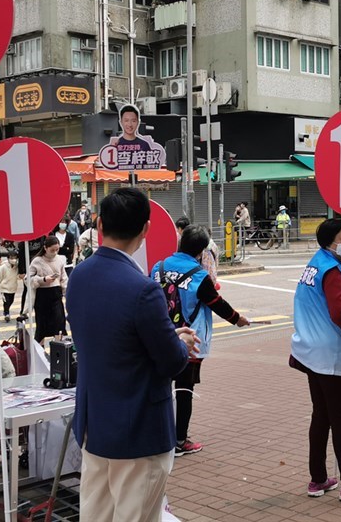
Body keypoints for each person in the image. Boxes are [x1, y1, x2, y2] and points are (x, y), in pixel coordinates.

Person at [66, 188, 199, 522]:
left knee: (95, 515)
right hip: (138, 430)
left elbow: (108, 340)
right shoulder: (142, 289)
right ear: (146, 229)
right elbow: (171, 361)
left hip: (94, 423)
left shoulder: (78, 276)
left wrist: (168, 337)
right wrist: (178, 342)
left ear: (99, 225)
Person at [290, 218, 341, 503]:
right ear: (330, 241)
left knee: (322, 415)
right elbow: (340, 313)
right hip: (330, 353)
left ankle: (318, 479)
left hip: (311, 351)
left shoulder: (318, 264)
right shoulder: (332, 271)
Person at [152, 225, 250, 456]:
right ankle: (179, 441)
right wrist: (238, 319)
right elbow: (217, 303)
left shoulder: (159, 266)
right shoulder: (199, 275)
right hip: (190, 340)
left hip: (160, 335)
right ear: (201, 251)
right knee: (184, 389)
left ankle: (159, 435)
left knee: (160, 386)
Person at [28, 236, 68, 344]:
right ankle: (41, 354)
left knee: (59, 325)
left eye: (57, 249)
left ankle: (58, 353)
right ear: (45, 248)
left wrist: (67, 294)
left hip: (56, 296)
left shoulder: (59, 260)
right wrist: (43, 279)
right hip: (42, 297)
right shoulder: (37, 261)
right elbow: (28, 279)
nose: (55, 252)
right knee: (42, 327)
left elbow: (64, 278)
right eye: (52, 250)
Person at [16, 235, 46, 321]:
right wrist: (21, 271)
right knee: (27, 290)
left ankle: (41, 310)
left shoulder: (42, 237)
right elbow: (21, 256)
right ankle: (24, 311)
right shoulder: (24, 239)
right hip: (28, 268)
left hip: (40, 267)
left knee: (41, 289)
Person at [0, 251, 20, 322]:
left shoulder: (17, 267)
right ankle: (7, 314)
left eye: (15, 258)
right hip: (4, 289)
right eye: (11, 258)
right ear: (8, 258)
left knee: (11, 301)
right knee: (6, 302)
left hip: (13, 288)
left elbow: (18, 276)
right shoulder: (3, 267)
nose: (13, 259)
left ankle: (6, 311)